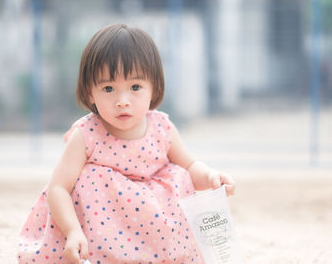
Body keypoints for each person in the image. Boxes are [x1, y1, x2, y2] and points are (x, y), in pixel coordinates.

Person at [18, 23, 236, 264]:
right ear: (91, 93)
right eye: (108, 88)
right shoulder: (88, 133)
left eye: (135, 87)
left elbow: (191, 165)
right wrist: (72, 231)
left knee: (179, 174)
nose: (122, 101)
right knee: (90, 178)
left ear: (153, 88)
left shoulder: (162, 127)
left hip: (152, 224)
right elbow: (58, 188)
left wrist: (211, 177)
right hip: (100, 229)